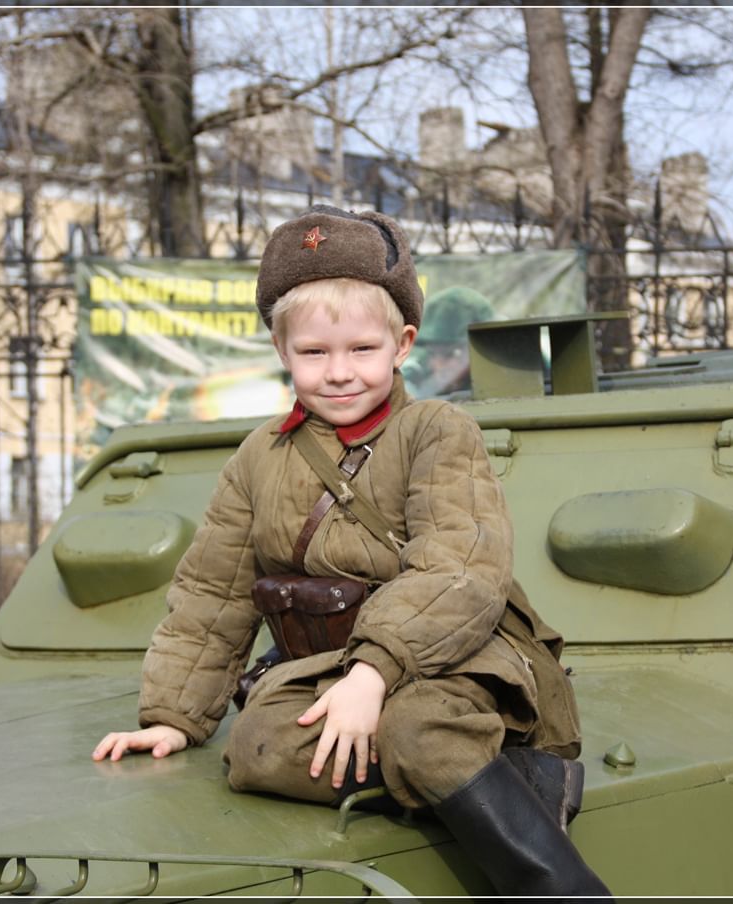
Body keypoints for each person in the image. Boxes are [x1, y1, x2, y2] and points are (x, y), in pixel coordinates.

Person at [92, 205, 611, 898]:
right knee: (258, 747)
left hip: (450, 651)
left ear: (402, 344)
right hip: (329, 664)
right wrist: (172, 718)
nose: (339, 373)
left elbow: (460, 565)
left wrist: (374, 674)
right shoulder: (260, 456)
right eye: (314, 353)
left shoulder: (436, 431)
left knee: (419, 730)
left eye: (362, 350)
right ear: (283, 352)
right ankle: (494, 777)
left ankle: (566, 889)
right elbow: (213, 593)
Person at [402, 285, 496, 398]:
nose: (436, 365)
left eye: (449, 354)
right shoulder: (415, 375)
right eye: (432, 354)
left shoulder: (502, 385)